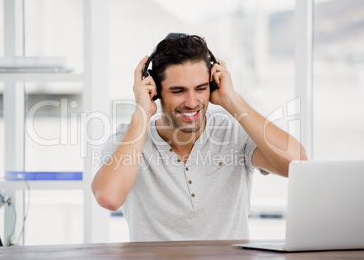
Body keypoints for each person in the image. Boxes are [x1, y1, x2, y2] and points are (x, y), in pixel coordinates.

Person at [91, 33, 307, 241]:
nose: (192, 102)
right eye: (178, 91)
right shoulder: (129, 138)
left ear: (212, 85)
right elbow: (109, 197)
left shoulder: (233, 132)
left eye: (201, 88)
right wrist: (141, 114)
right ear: (155, 91)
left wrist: (231, 99)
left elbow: (297, 164)